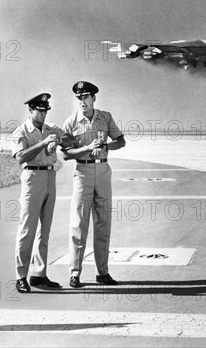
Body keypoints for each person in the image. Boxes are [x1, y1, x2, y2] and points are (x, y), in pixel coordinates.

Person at [61, 81, 126, 288]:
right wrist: (87, 149)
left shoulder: (105, 117)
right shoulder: (71, 123)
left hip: (103, 170)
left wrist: (106, 145)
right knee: (78, 224)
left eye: (86, 97)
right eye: (79, 98)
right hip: (83, 172)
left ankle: (103, 272)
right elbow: (66, 154)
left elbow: (121, 141)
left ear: (94, 98)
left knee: (103, 223)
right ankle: (75, 273)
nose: (82, 101)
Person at [10, 93, 64, 293]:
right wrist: (43, 143)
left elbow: (69, 141)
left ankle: (39, 274)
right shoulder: (21, 131)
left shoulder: (52, 129)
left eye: (45, 110)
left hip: (50, 176)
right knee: (27, 228)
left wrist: (61, 144)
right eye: (39, 110)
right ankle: (21, 276)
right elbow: (20, 156)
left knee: (44, 230)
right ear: (30, 110)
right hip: (32, 177)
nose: (42, 114)